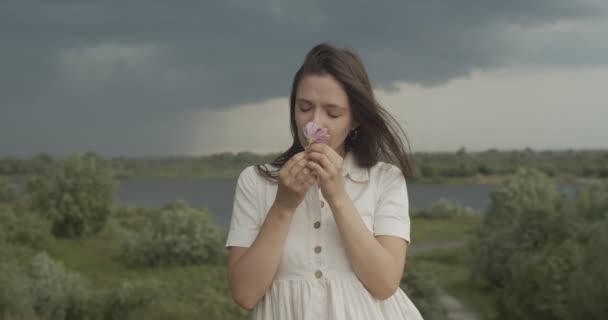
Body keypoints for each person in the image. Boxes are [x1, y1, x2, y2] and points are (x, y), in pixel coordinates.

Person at [225, 43, 423, 319]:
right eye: (304, 107)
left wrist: (337, 196)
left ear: (355, 120)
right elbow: (245, 294)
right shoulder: (255, 181)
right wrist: (282, 207)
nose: (314, 124)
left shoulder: (385, 179)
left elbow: (385, 284)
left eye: (333, 113)